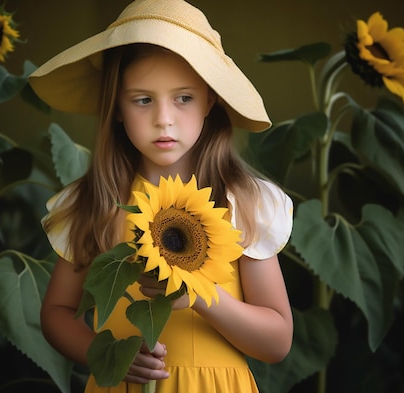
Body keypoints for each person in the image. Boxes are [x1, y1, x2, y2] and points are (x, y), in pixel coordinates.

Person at [29, 1, 294, 392]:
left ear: (210, 101)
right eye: (143, 99)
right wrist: (107, 354)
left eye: (183, 98)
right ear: (117, 107)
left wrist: (200, 296)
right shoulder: (94, 201)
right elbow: (57, 312)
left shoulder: (244, 203)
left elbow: (276, 342)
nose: (164, 119)